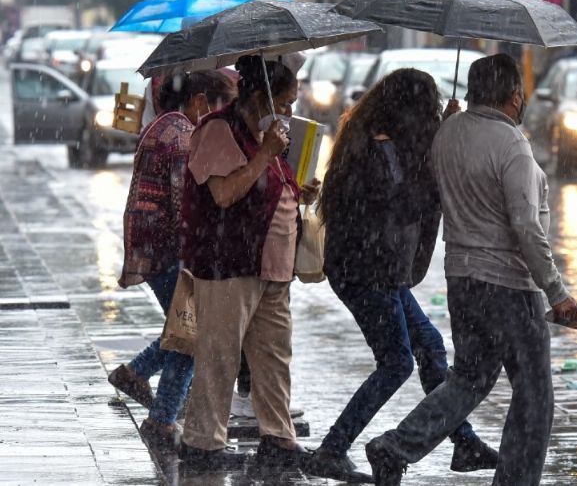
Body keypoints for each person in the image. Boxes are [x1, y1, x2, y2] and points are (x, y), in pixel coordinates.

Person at [364, 54, 577, 486]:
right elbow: (525, 226)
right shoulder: (511, 144)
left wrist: (449, 124)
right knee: (534, 393)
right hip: (508, 286)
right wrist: (555, 290)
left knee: (468, 379)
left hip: (462, 280)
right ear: (515, 95)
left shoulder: (447, 135)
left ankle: (396, 446)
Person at [303, 69, 498, 482]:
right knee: (396, 363)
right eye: (426, 107)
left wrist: (442, 133)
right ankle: (333, 448)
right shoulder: (378, 148)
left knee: (429, 345)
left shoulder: (384, 141)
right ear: (408, 109)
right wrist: (436, 163)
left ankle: (463, 442)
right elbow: (402, 204)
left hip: (377, 269)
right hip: (365, 271)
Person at [178, 53, 319, 469]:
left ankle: (278, 437)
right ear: (262, 97)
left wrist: (297, 192)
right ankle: (203, 442)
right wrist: (265, 154)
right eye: (287, 102)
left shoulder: (267, 135)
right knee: (220, 355)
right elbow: (224, 194)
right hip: (229, 263)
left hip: (273, 267)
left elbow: (268, 186)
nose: (291, 111)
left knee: (273, 357)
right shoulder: (219, 131)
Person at [110, 70, 236, 451]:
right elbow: (186, 202)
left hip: (153, 245)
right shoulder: (181, 135)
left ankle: (136, 374)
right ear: (199, 101)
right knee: (191, 333)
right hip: (168, 249)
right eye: (216, 107)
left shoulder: (162, 124)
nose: (217, 116)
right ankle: (161, 417)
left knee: (184, 328)